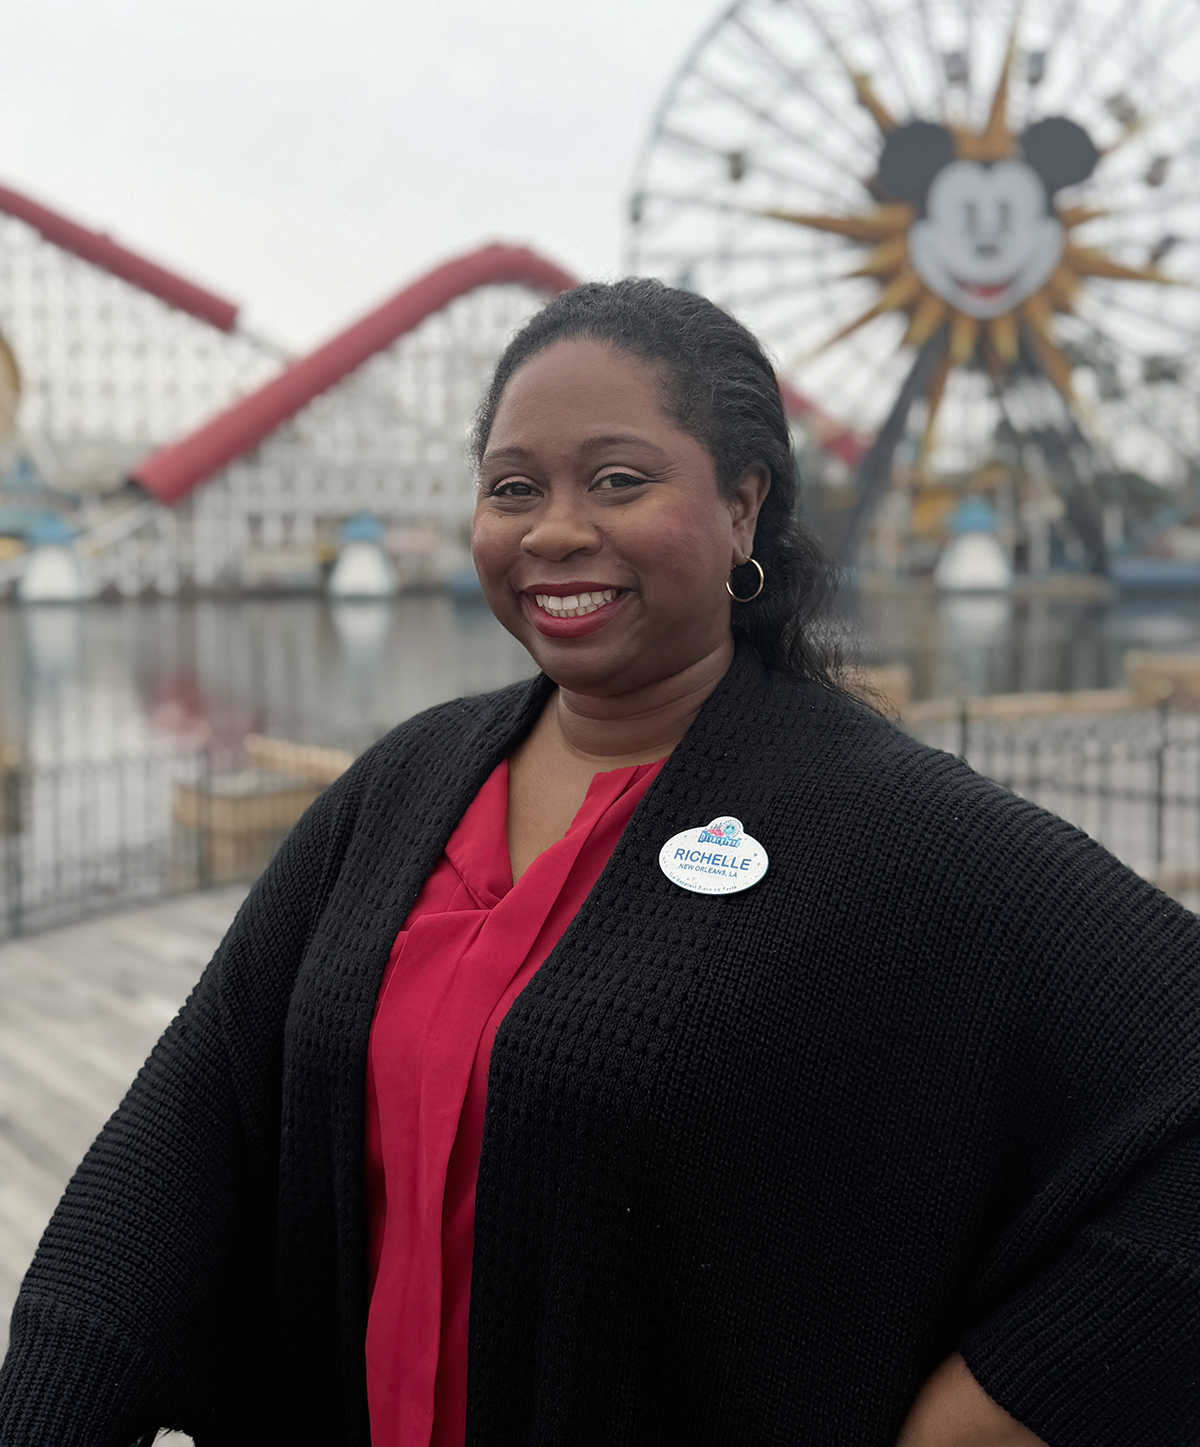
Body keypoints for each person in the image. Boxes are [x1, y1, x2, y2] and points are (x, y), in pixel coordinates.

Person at [2, 279, 1198, 1447]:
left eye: (619, 481)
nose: (556, 530)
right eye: (513, 488)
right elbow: (182, 1137)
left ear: (743, 505)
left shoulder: (882, 823)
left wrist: (1000, 1409)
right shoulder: (407, 784)